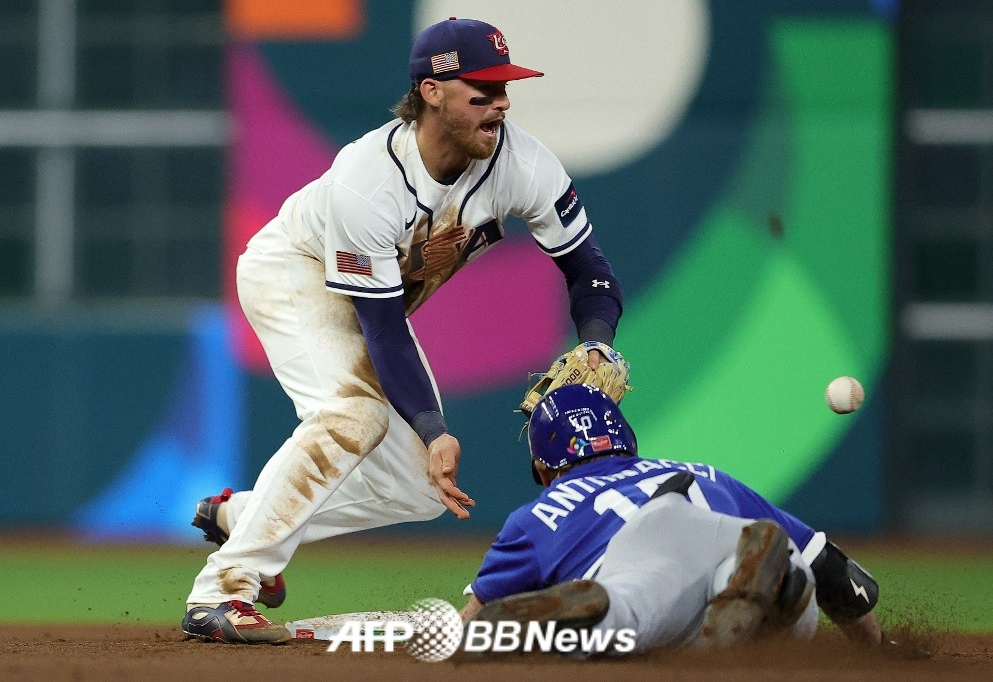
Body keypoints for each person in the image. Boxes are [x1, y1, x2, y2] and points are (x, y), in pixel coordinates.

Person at [181, 17, 624, 644]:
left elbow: (591, 273)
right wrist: (435, 428)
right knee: (354, 417)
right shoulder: (369, 180)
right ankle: (222, 591)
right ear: (432, 90)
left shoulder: (524, 164)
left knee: (418, 488)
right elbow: (384, 331)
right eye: (482, 89)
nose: (499, 103)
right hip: (294, 272)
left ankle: (244, 516)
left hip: (370, 300)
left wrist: (598, 339)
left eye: (505, 89)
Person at [459, 383, 884, 655]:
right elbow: (831, 568)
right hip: (735, 539)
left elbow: (472, 620)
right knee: (787, 577)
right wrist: (877, 651)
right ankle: (765, 586)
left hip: (649, 554)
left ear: (545, 468)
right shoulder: (705, 472)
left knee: (629, 608)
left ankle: (604, 616)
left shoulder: (537, 516)